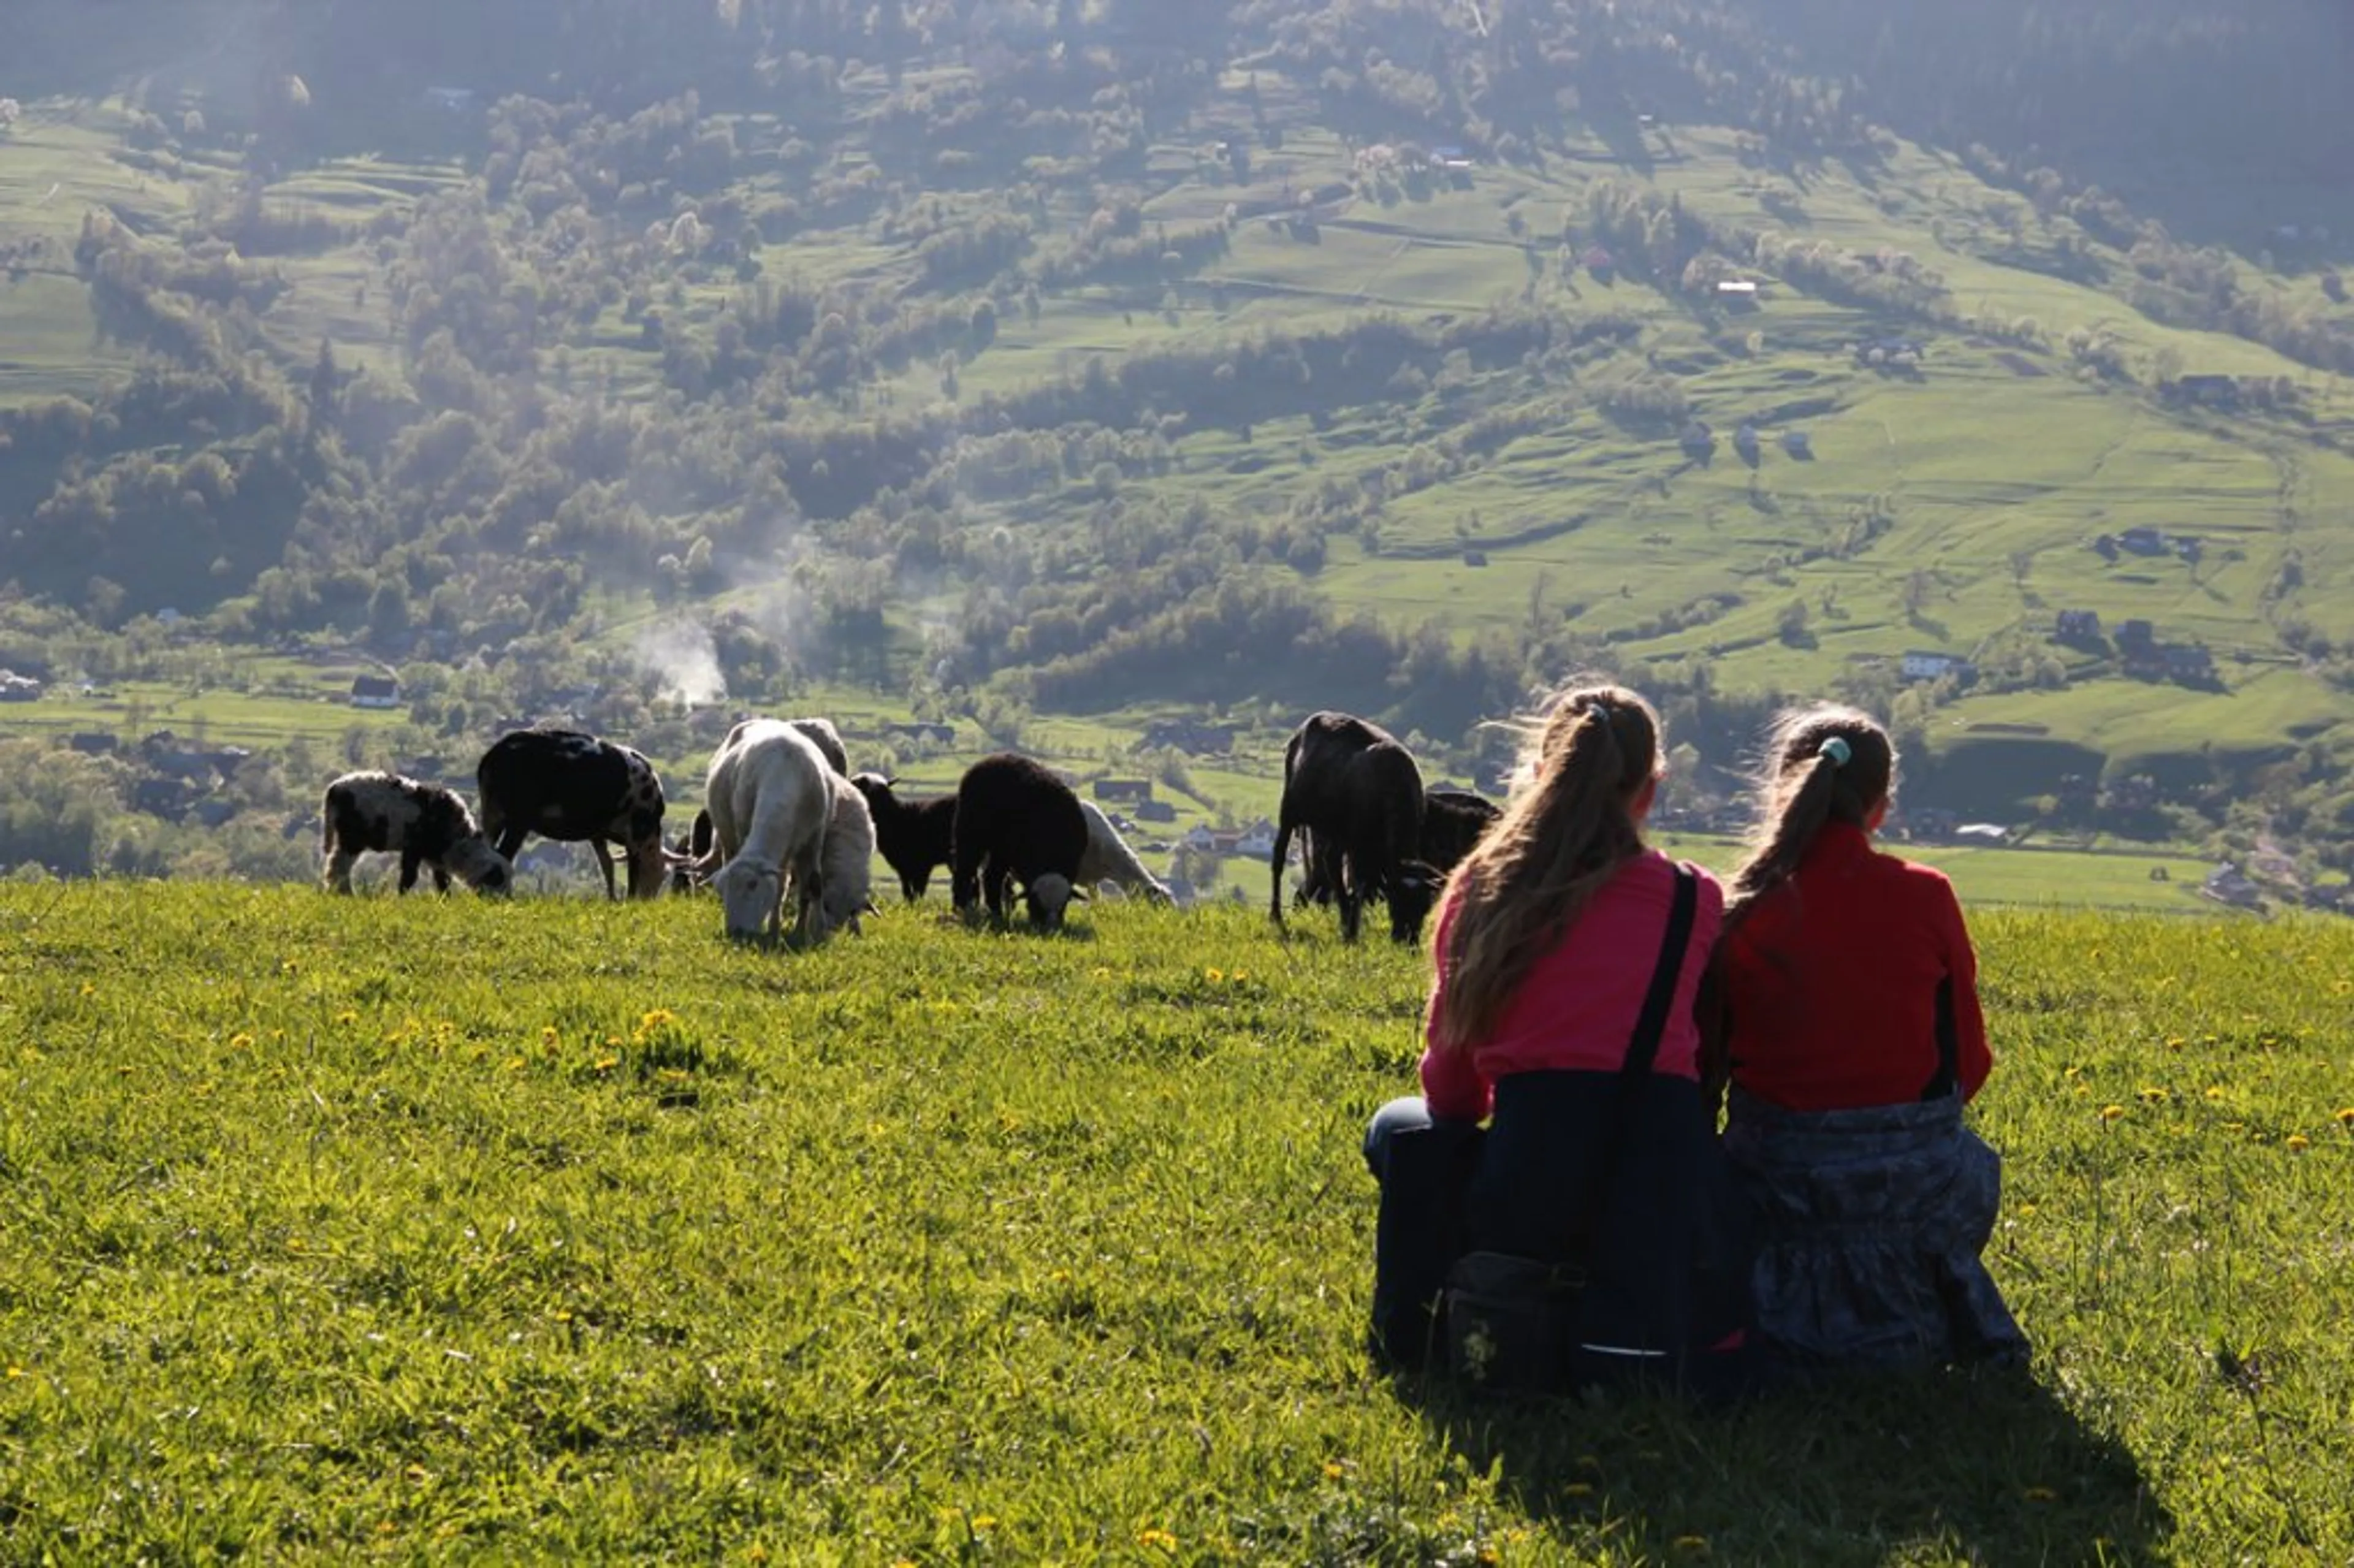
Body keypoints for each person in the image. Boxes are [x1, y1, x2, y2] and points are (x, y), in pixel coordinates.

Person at [1363, 683, 1750, 1393]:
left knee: (1398, 1126)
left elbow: (1451, 1095)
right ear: (1650, 790)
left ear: (1541, 774)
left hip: (1525, 1187)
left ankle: (1420, 1321)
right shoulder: (1697, 897)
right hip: (1660, 1185)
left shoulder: (1483, 887)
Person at [1703, 705, 2027, 1375]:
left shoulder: (1739, 909)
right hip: (1915, 1183)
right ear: (1880, 806)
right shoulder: (1926, 895)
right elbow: (1969, 1065)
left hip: (1776, 1180)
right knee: (1974, 1159)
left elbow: (1707, 1069)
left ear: (1780, 792)